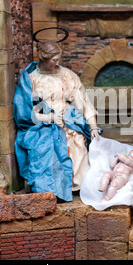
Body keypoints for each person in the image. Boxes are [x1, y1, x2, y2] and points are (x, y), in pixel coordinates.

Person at [13, 40, 100, 202]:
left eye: (59, 59)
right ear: (43, 58)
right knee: (46, 144)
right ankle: (52, 188)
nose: (57, 63)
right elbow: (25, 113)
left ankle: (75, 184)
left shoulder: (68, 76)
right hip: (42, 124)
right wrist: (50, 118)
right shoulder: (31, 80)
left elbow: (83, 101)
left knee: (77, 138)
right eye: (54, 60)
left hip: (68, 120)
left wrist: (93, 126)